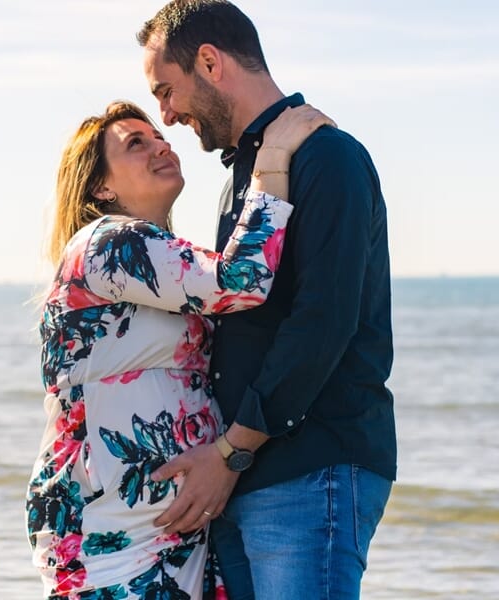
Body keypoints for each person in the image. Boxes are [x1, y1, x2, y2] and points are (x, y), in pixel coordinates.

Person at [137, 2, 397, 599]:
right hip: (247, 477)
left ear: (209, 62)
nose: (167, 114)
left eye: (166, 91)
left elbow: (324, 322)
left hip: (312, 467)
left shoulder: (329, 158)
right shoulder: (248, 173)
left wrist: (231, 450)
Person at [25, 100, 332, 599]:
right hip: (105, 539)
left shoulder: (160, 257)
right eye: (136, 144)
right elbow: (241, 280)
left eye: (159, 136)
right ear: (102, 187)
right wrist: (272, 159)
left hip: (175, 536)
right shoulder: (105, 245)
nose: (161, 145)